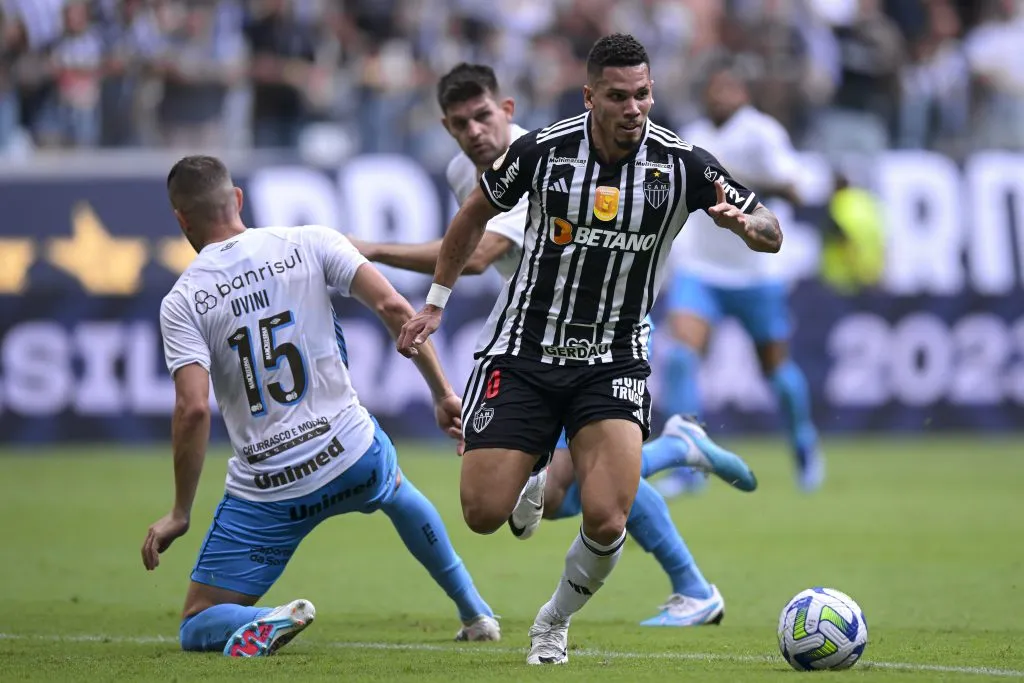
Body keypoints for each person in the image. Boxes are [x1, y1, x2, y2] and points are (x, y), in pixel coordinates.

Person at [397, 35, 782, 665]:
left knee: (606, 519)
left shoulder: (682, 165)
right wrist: (436, 300)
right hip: (525, 348)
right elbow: (471, 218)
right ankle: (543, 473)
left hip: (613, 358)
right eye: (619, 96)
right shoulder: (542, 152)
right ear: (590, 96)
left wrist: (751, 228)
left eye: (643, 94)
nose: (634, 108)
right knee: (482, 513)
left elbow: (771, 228)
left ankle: (554, 621)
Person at [141, 155, 500, 658]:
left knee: (197, 622)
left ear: (181, 220)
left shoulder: (182, 300)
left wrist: (181, 511)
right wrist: (442, 392)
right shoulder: (309, 241)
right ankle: (475, 610)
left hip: (270, 489)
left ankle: (266, 619)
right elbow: (397, 309)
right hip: (351, 452)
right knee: (397, 490)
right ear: (237, 199)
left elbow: (194, 409)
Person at [659, 61, 824, 496]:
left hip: (756, 272)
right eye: (714, 89)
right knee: (680, 359)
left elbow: (796, 187)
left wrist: (736, 182)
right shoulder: (692, 136)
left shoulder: (761, 133)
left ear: (742, 93)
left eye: (728, 89)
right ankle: (687, 465)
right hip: (701, 268)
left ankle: (803, 445)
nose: (720, 97)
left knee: (777, 370)